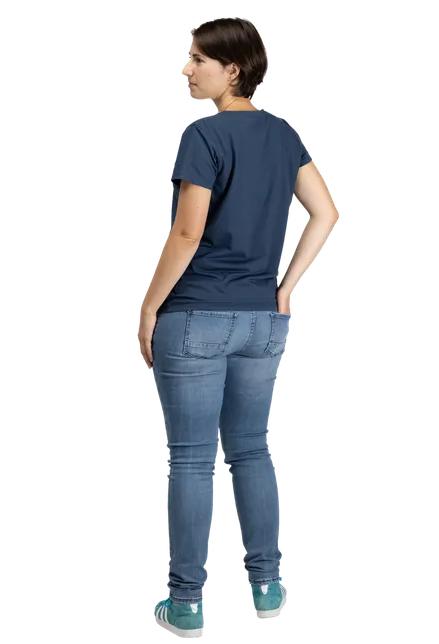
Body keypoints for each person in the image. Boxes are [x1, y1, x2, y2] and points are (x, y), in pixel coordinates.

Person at [139, 16, 340, 638]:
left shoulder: (205, 136)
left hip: (195, 316)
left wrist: (148, 307)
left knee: (193, 459)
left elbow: (187, 232)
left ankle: (187, 606)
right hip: (261, 321)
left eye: (197, 59)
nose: (186, 69)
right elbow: (326, 212)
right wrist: (287, 284)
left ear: (232, 70)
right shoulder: (283, 135)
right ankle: (268, 590)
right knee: (253, 451)